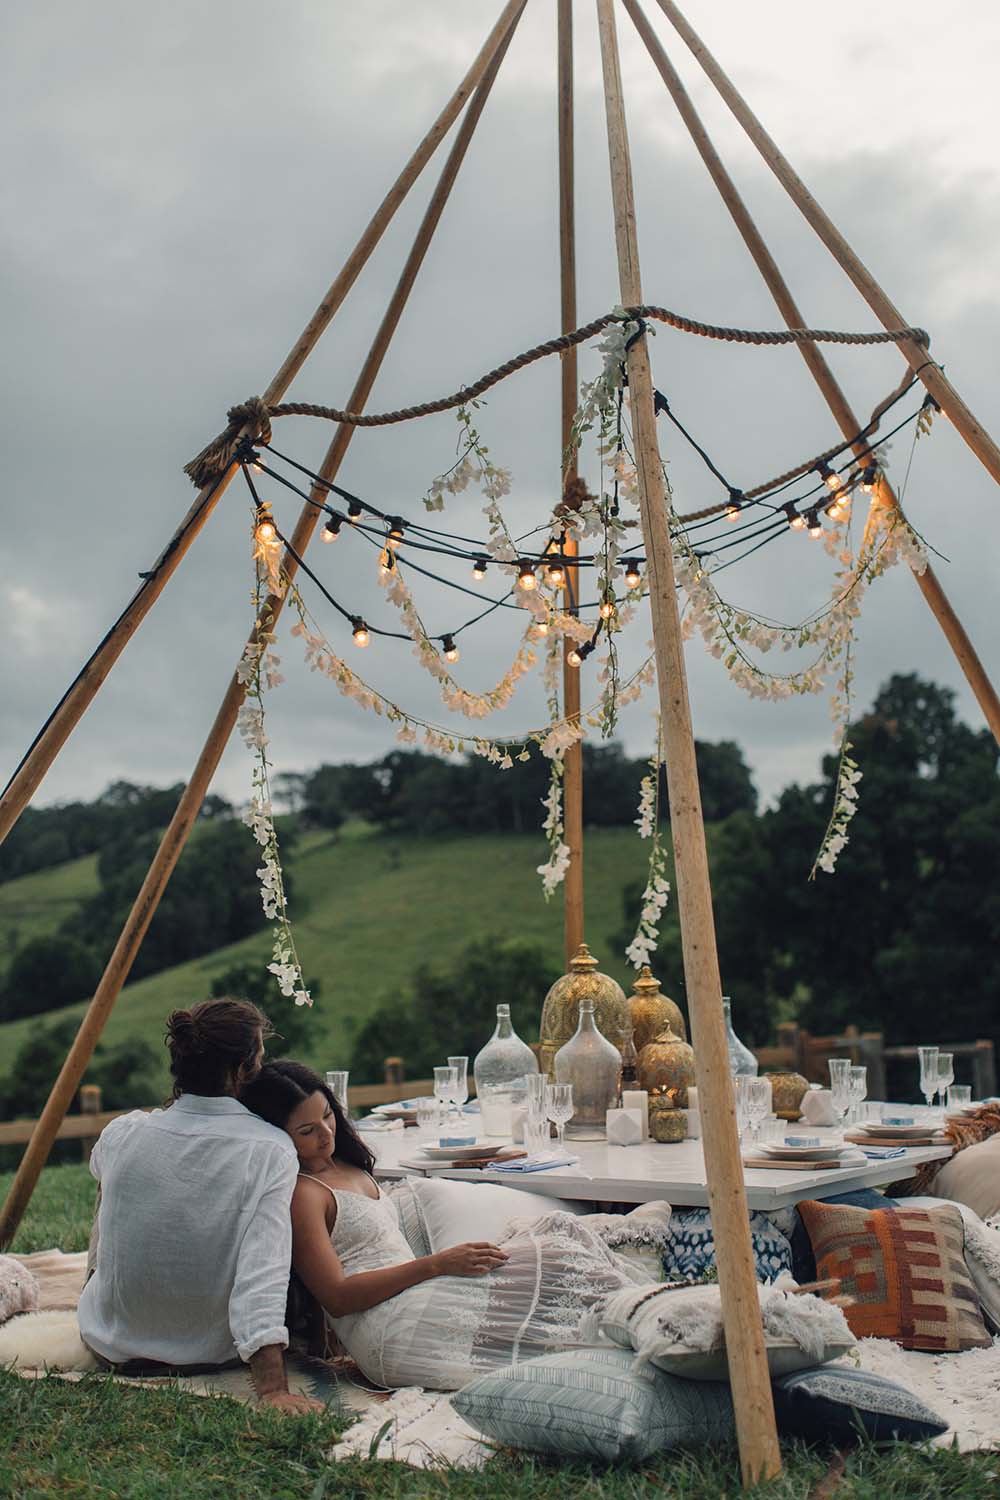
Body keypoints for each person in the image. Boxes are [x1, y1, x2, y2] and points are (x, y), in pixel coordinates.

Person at [241, 1060, 652, 1391]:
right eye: (307, 1131)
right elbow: (337, 1297)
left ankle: (640, 1316)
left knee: (555, 1234)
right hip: (386, 1329)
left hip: (414, 1296)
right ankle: (642, 1327)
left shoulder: (349, 1165)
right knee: (551, 1253)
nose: (326, 1134)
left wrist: (436, 1268)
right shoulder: (302, 1193)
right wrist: (436, 1265)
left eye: (328, 1116)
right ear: (277, 1136)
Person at [77, 999, 322, 1414]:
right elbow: (264, 1268)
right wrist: (273, 1389)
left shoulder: (122, 1133)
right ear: (242, 1070)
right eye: (259, 1059)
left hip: (111, 1343)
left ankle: (131, 1302)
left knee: (114, 1184)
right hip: (209, 1352)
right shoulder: (269, 1148)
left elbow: (101, 1169)